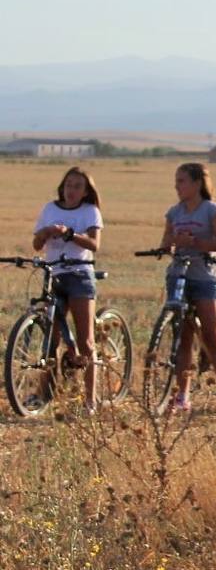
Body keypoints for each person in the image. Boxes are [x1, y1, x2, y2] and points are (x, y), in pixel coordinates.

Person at [160, 163, 216, 411]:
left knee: (211, 333)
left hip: (204, 277)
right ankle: (182, 396)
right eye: (176, 181)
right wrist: (173, 242)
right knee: (184, 337)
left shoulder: (213, 211)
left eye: (182, 181)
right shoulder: (174, 213)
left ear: (197, 184)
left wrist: (195, 242)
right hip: (179, 275)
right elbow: (165, 242)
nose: (177, 186)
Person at [31, 167, 104, 411]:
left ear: (85, 192)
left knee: (85, 341)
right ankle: (44, 394)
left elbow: (94, 244)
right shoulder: (49, 209)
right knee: (51, 339)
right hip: (54, 274)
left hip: (79, 275)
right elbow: (36, 245)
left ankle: (90, 400)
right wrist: (44, 233)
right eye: (68, 185)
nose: (71, 190)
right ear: (62, 187)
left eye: (77, 186)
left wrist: (69, 233)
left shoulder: (90, 212)